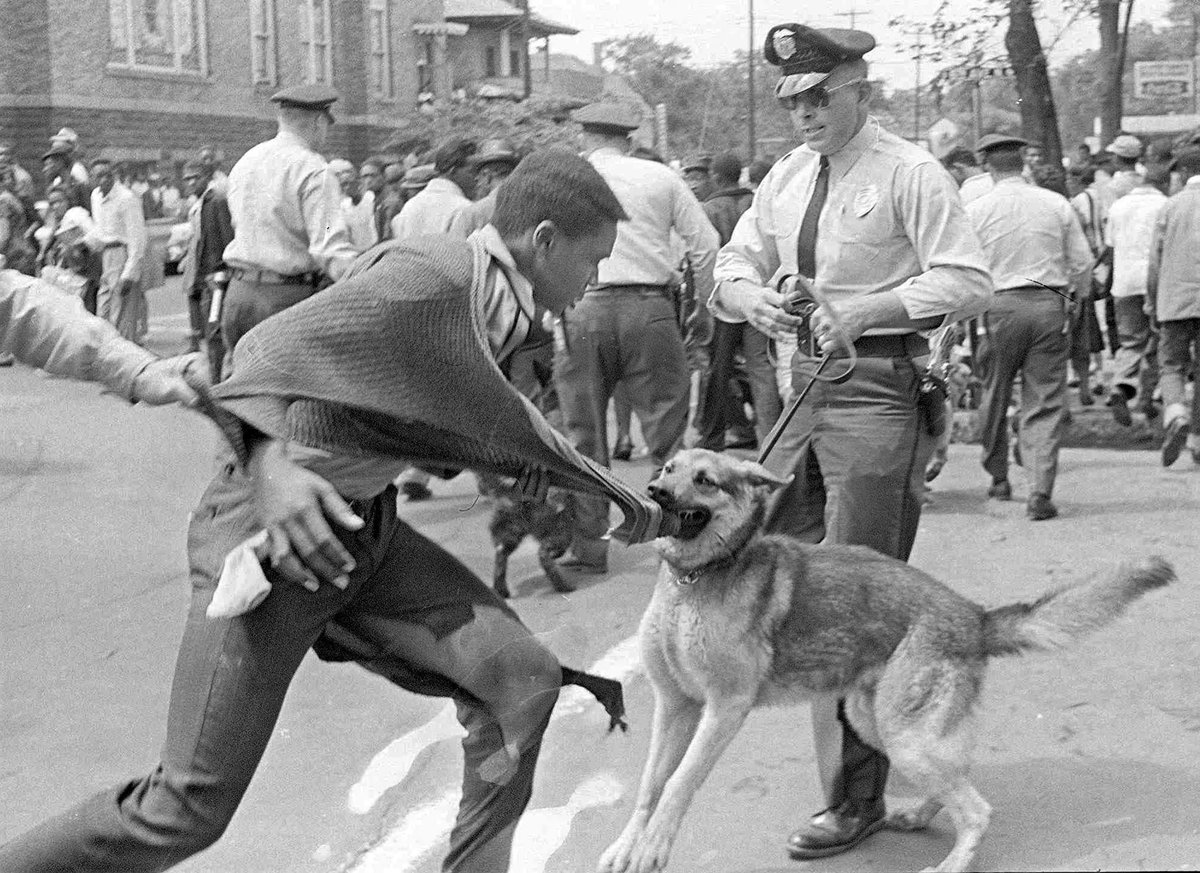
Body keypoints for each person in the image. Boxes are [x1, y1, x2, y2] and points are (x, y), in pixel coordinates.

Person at [0, 146, 673, 873]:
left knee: (521, 680)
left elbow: (450, 415)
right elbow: (263, 351)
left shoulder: (496, 299)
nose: (595, 280)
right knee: (184, 809)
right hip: (269, 539)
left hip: (358, 529)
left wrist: (601, 492)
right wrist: (269, 466)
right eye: (591, 260)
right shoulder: (436, 276)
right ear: (542, 241)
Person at [712, 23, 991, 860]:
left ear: (861, 90)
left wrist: (866, 309)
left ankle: (855, 797)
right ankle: (855, 774)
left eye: (819, 96)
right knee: (782, 578)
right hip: (800, 392)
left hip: (876, 387)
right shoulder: (789, 176)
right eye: (791, 100)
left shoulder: (908, 171)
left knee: (858, 599)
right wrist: (746, 297)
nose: (803, 115)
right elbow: (732, 260)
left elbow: (969, 279)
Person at [554, 100, 719, 575]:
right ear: (628, 138)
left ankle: (588, 548)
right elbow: (706, 246)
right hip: (650, 308)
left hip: (580, 307)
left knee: (582, 434)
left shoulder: (565, 176)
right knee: (667, 435)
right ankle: (676, 541)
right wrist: (701, 309)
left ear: (584, 136)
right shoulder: (662, 177)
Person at [966, 133, 1092, 521]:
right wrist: (1073, 302)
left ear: (987, 165)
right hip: (1047, 304)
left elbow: (962, 268)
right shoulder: (1055, 204)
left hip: (996, 307)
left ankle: (999, 478)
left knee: (993, 393)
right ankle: (1039, 488)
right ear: (1024, 164)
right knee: (1045, 397)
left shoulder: (974, 208)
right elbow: (1083, 264)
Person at [221, 85, 359, 365]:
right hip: (285, 300)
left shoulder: (246, 162)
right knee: (290, 398)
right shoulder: (314, 170)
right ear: (320, 122)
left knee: (240, 394)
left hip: (239, 295)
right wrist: (367, 275)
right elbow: (330, 246)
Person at [694, 151, 781, 451]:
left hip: (725, 298)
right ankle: (771, 444)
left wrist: (703, 302)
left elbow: (704, 259)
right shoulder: (755, 203)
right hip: (759, 294)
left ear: (716, 177)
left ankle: (719, 433)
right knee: (761, 369)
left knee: (718, 369)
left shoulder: (710, 209)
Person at [1147, 146, 1200, 467]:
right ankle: (1198, 440)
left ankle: (1177, 412)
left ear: (1180, 173)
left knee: (1171, 366)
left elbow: (1155, 261)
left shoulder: (1171, 207)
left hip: (1175, 301)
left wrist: (1153, 301)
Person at [1104, 163, 1168, 425]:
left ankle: (1121, 385)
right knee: (1159, 340)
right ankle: (1147, 397)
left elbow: (1110, 245)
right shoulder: (1166, 204)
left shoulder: (1118, 206)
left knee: (1131, 341)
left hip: (1125, 283)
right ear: (1162, 183)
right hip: (1157, 282)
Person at [181, 159, 235, 378]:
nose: (192, 182)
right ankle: (217, 375)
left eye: (196, 177)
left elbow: (228, 240)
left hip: (218, 278)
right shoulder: (201, 204)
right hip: (205, 279)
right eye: (187, 179)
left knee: (215, 330)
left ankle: (218, 379)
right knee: (208, 330)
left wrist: (222, 272)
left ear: (207, 177)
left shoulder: (217, 201)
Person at [89, 156, 149, 345]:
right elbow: (99, 229)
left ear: (114, 175)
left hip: (121, 255)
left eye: (106, 175)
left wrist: (128, 274)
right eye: (97, 176)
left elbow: (137, 239)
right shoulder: (95, 197)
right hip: (105, 256)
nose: (102, 180)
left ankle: (129, 357)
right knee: (103, 312)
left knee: (122, 316)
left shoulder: (126, 198)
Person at [391, 137, 478, 239]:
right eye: (472, 172)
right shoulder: (465, 209)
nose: (477, 178)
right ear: (452, 170)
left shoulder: (411, 205)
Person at [449, 138, 521, 237]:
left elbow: (455, 250)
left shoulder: (472, 215)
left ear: (487, 176)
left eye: (478, 176)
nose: (476, 181)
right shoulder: (531, 206)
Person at [329, 157, 378, 253]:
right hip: (357, 253)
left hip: (374, 250)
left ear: (357, 182)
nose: (347, 187)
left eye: (349, 183)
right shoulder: (344, 206)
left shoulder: (371, 199)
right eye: (343, 184)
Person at [357, 155, 390, 242]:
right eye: (364, 177)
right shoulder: (376, 200)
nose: (368, 180)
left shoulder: (389, 202)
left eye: (373, 176)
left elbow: (386, 239)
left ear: (384, 176)